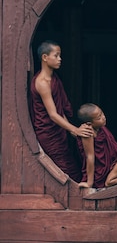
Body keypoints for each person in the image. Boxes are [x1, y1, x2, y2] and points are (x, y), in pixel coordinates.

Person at [29, 41, 94, 182]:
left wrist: (70, 130)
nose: (60, 59)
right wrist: (75, 130)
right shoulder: (42, 82)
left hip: (59, 131)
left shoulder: (53, 78)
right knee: (65, 172)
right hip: (48, 133)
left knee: (70, 166)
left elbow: (60, 110)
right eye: (56, 55)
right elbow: (52, 114)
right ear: (45, 57)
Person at [75, 103, 117, 189]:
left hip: (110, 164)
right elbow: (90, 157)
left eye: (102, 113)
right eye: (99, 118)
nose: (103, 117)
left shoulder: (100, 127)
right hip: (99, 170)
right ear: (89, 123)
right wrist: (89, 183)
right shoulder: (87, 132)